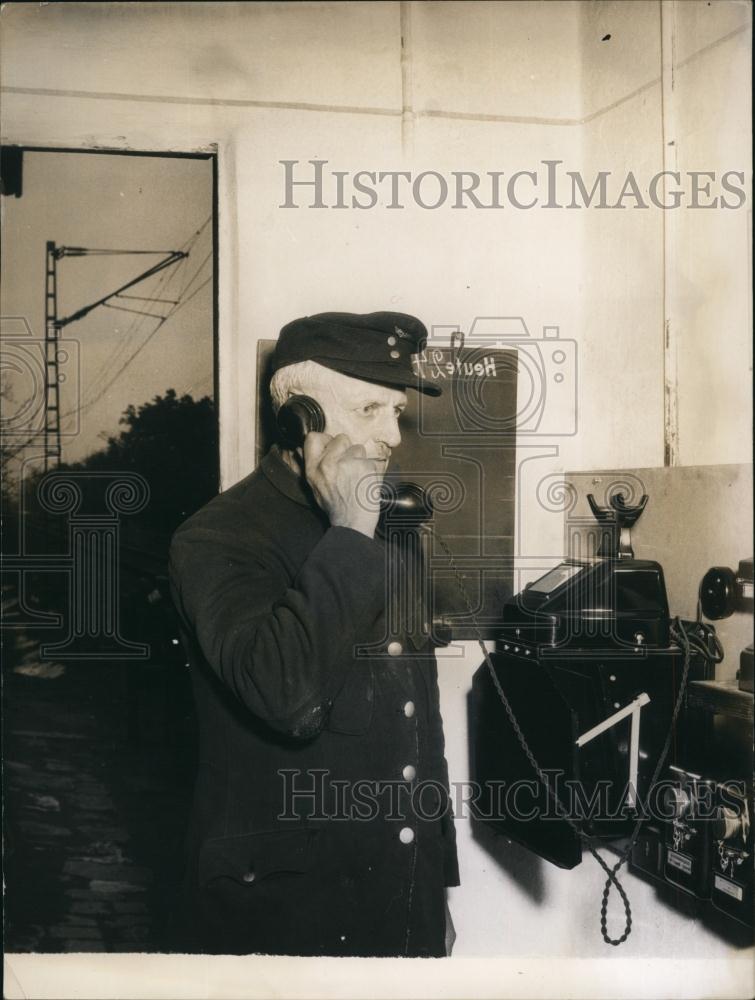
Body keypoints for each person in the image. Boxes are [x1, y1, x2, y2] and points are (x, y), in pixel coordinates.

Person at [168, 311, 459, 957]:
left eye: (395, 412)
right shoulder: (220, 537)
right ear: (299, 419)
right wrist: (349, 532)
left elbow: (415, 721)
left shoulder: (390, 530)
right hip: (282, 912)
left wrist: (432, 885)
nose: (391, 436)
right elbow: (286, 696)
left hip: (394, 894)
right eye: (368, 410)